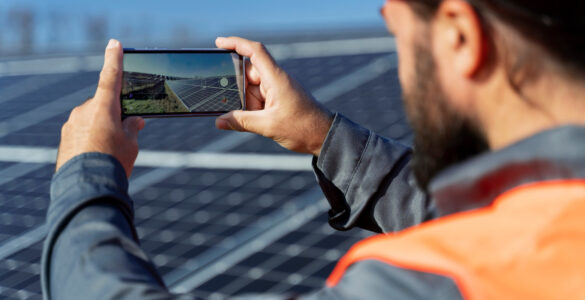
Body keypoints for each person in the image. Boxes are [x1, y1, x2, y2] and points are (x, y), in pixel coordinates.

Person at [42, 0, 585, 299]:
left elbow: (482, 245)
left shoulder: (428, 282)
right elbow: (497, 225)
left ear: (459, 37)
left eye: (397, 32)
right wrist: (324, 136)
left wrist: (86, 175)